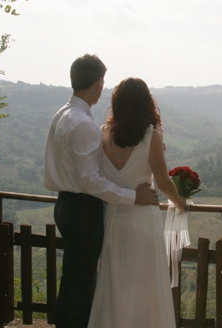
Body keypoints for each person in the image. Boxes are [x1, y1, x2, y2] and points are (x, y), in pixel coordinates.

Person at [44, 54, 160, 328]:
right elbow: (90, 181)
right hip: (83, 207)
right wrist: (133, 196)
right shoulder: (84, 124)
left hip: (65, 203)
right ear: (97, 83)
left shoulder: (63, 114)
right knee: (81, 282)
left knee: (73, 276)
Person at [87, 77, 188, 328]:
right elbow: (164, 183)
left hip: (113, 215)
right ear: (147, 103)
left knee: (115, 281)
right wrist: (181, 202)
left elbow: (99, 176)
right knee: (145, 283)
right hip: (143, 217)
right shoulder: (151, 136)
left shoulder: (104, 133)